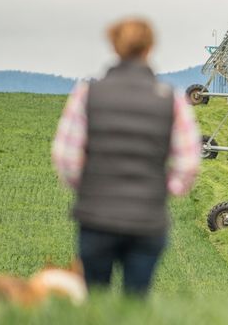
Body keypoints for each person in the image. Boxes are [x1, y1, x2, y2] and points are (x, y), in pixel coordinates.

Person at [51, 16, 201, 296]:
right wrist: (163, 190)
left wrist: (88, 189)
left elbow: (66, 157)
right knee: (135, 303)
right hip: (147, 219)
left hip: (96, 217)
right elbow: (189, 161)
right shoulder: (170, 98)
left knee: (94, 300)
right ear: (150, 48)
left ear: (114, 46)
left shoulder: (88, 94)